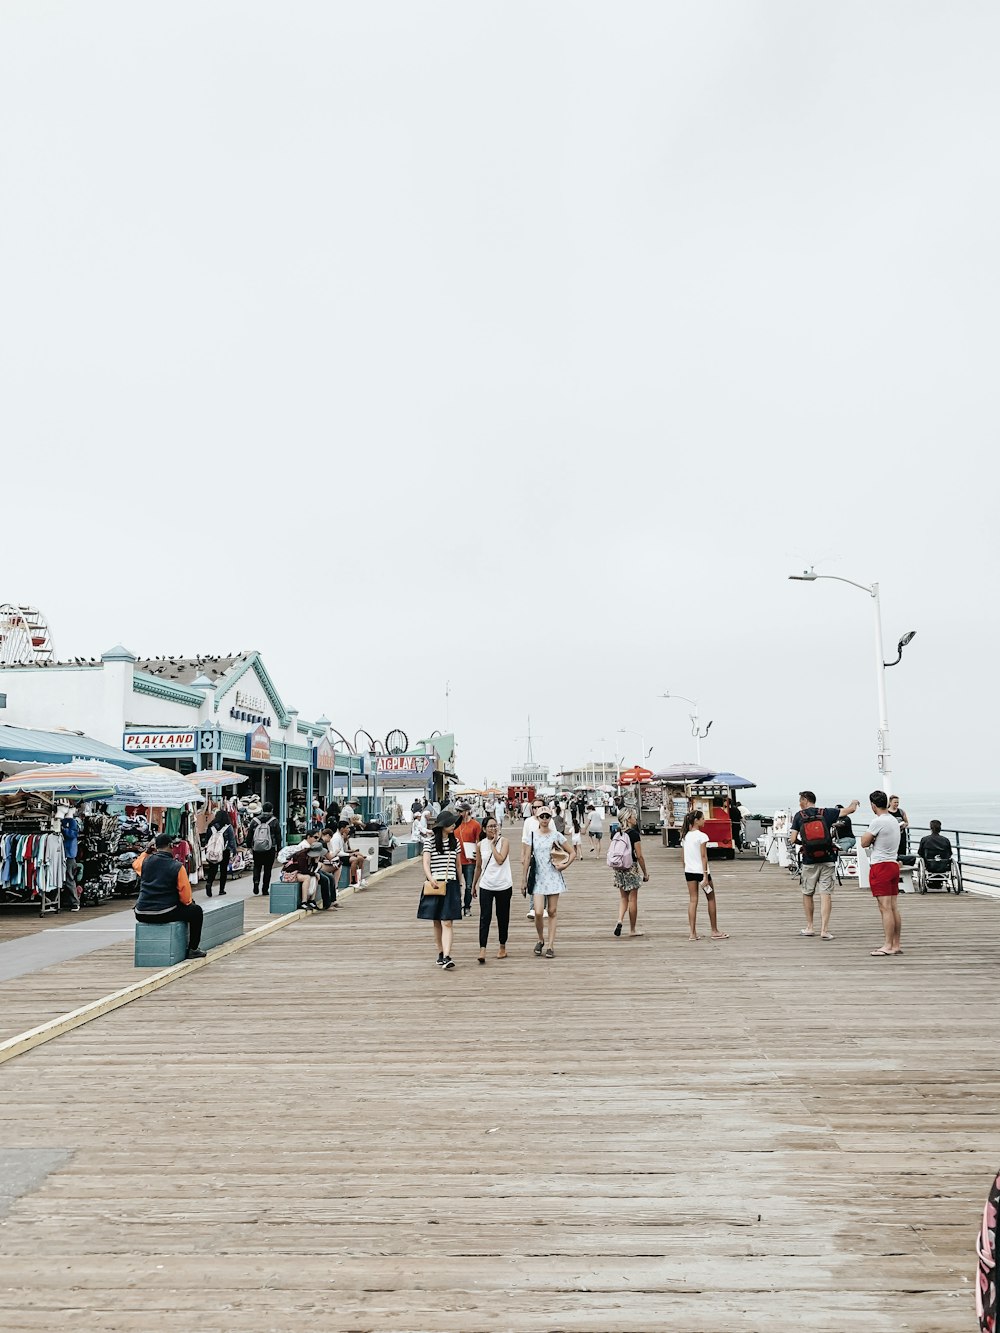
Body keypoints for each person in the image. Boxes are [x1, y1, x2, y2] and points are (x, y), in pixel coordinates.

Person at [788, 793, 860, 940]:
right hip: (827, 858)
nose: (799, 804)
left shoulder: (798, 816)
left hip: (809, 861)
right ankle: (824, 930)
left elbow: (793, 839)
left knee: (808, 893)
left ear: (805, 801)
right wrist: (854, 802)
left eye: (800, 801)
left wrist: (805, 845)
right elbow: (849, 810)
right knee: (825, 894)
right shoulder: (826, 813)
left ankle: (809, 927)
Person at [134, 832, 205, 958]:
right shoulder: (177, 867)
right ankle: (193, 949)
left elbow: (135, 864)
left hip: (141, 913)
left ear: (155, 847)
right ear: (171, 845)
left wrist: (147, 851)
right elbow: (186, 898)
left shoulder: (145, 862)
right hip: (164, 913)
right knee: (196, 911)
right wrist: (189, 904)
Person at [520, 806, 574, 958]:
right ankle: (540, 938)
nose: (544, 819)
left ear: (550, 818)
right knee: (537, 912)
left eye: (547, 816)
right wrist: (523, 879)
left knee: (552, 911)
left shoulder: (556, 835)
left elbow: (572, 852)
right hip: (538, 877)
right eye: (542, 816)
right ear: (537, 818)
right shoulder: (532, 835)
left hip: (553, 876)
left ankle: (550, 945)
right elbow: (527, 859)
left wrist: (565, 865)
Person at [860, 790, 903, 956]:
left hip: (881, 866)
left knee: (884, 908)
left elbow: (864, 842)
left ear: (873, 805)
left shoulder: (877, 821)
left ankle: (887, 945)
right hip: (893, 863)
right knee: (893, 908)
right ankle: (896, 944)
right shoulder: (893, 820)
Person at [419, 810, 462, 970]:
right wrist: (431, 879)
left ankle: (447, 956)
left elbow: (458, 865)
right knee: (436, 921)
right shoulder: (429, 842)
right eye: (450, 823)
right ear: (443, 825)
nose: (453, 826)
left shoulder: (455, 842)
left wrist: (461, 883)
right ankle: (440, 952)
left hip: (450, 884)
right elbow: (426, 863)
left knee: (447, 922)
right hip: (434, 884)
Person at [681, 809, 728, 942]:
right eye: (702, 819)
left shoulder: (685, 836)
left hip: (689, 871)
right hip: (701, 871)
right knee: (711, 898)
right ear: (696, 821)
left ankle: (692, 933)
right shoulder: (702, 836)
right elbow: (703, 857)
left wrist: (686, 868)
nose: (704, 821)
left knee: (693, 900)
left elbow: (683, 857)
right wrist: (705, 875)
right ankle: (714, 930)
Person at [472, 815, 513, 963]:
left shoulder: (505, 842)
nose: (493, 829)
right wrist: (474, 884)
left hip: (503, 885)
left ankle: (502, 945)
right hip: (486, 885)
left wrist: (493, 845)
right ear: (484, 829)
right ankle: (482, 948)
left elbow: (500, 860)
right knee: (485, 917)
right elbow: (478, 866)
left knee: (503, 917)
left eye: (495, 826)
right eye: (490, 826)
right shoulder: (479, 845)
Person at [612, 809, 649, 938]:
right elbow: (639, 856)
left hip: (619, 868)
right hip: (631, 867)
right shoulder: (634, 834)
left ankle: (620, 920)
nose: (635, 818)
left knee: (623, 898)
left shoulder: (616, 832)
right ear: (628, 819)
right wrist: (645, 873)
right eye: (633, 816)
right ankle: (632, 929)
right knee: (633, 899)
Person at [246, 801, 282, 896]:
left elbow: (249, 835)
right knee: (267, 869)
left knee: (257, 866)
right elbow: (278, 836)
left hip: (256, 848)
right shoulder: (274, 821)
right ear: (272, 810)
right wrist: (279, 848)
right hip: (270, 848)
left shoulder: (255, 820)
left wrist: (249, 846)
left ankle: (256, 882)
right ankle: (265, 889)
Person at [276, 833, 320, 910]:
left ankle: (311, 900)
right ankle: (304, 902)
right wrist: (314, 873)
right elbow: (304, 870)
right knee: (307, 877)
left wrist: (316, 862)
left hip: (297, 872)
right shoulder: (302, 855)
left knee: (315, 876)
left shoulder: (311, 857)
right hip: (289, 873)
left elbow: (312, 869)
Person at [455, 803, 482, 917]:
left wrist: (478, 855)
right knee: (456, 885)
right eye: (459, 811)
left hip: (470, 860)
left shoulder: (475, 825)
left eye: (461, 811)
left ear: (467, 811)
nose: (459, 813)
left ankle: (467, 906)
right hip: (456, 859)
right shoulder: (455, 824)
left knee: (469, 885)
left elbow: (479, 841)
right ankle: (456, 906)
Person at [203, 810, 237, 897]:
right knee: (223, 871)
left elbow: (206, 840)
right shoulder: (228, 827)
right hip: (224, 851)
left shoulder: (211, 826)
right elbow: (232, 841)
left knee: (212, 869)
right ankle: (221, 890)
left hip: (212, 851)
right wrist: (233, 850)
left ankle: (209, 883)